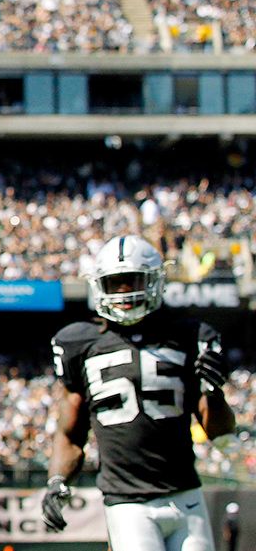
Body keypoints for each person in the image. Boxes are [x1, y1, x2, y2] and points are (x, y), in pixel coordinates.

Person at [43, 235, 236, 549]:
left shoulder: (190, 336)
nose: (123, 291)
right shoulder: (78, 343)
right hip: (127, 502)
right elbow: (70, 433)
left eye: (130, 280)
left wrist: (215, 394)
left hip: (185, 494)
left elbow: (219, 430)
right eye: (115, 282)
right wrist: (57, 481)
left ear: (155, 281)